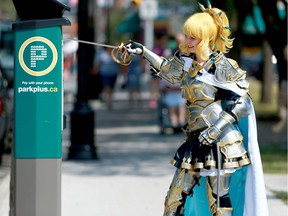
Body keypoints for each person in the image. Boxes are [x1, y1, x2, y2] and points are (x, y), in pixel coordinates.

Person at [125, 2, 268, 216]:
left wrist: (216, 129)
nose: (187, 41)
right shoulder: (186, 64)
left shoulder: (223, 66)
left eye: (193, 37)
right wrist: (144, 51)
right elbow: (168, 71)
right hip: (195, 139)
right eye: (187, 36)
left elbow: (243, 103)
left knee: (219, 204)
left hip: (222, 141)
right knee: (173, 201)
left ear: (206, 38)